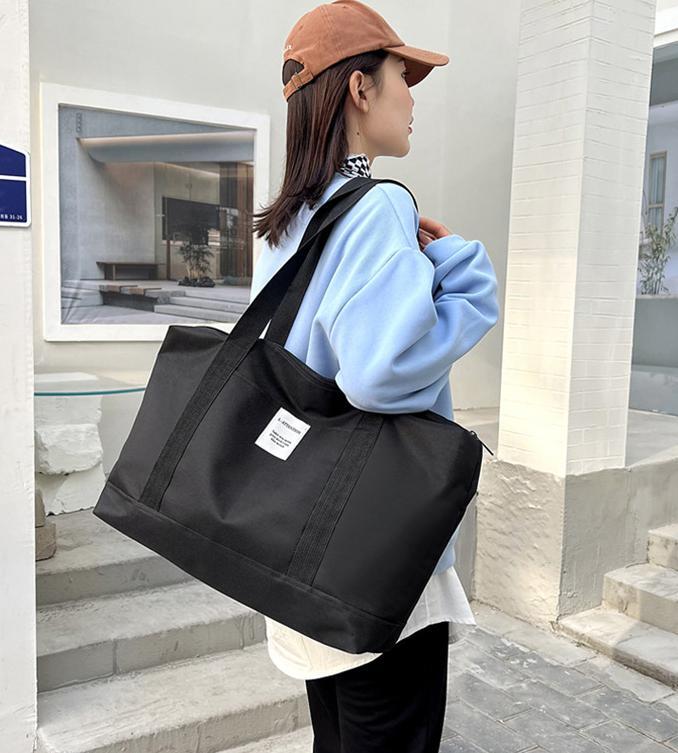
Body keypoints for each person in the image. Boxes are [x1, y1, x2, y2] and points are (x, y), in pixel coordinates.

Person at [249, 1, 500, 750]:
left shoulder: (287, 219)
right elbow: (379, 375)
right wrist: (465, 275)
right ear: (360, 89)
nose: (412, 98)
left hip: (297, 540)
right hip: (373, 553)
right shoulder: (379, 205)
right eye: (401, 77)